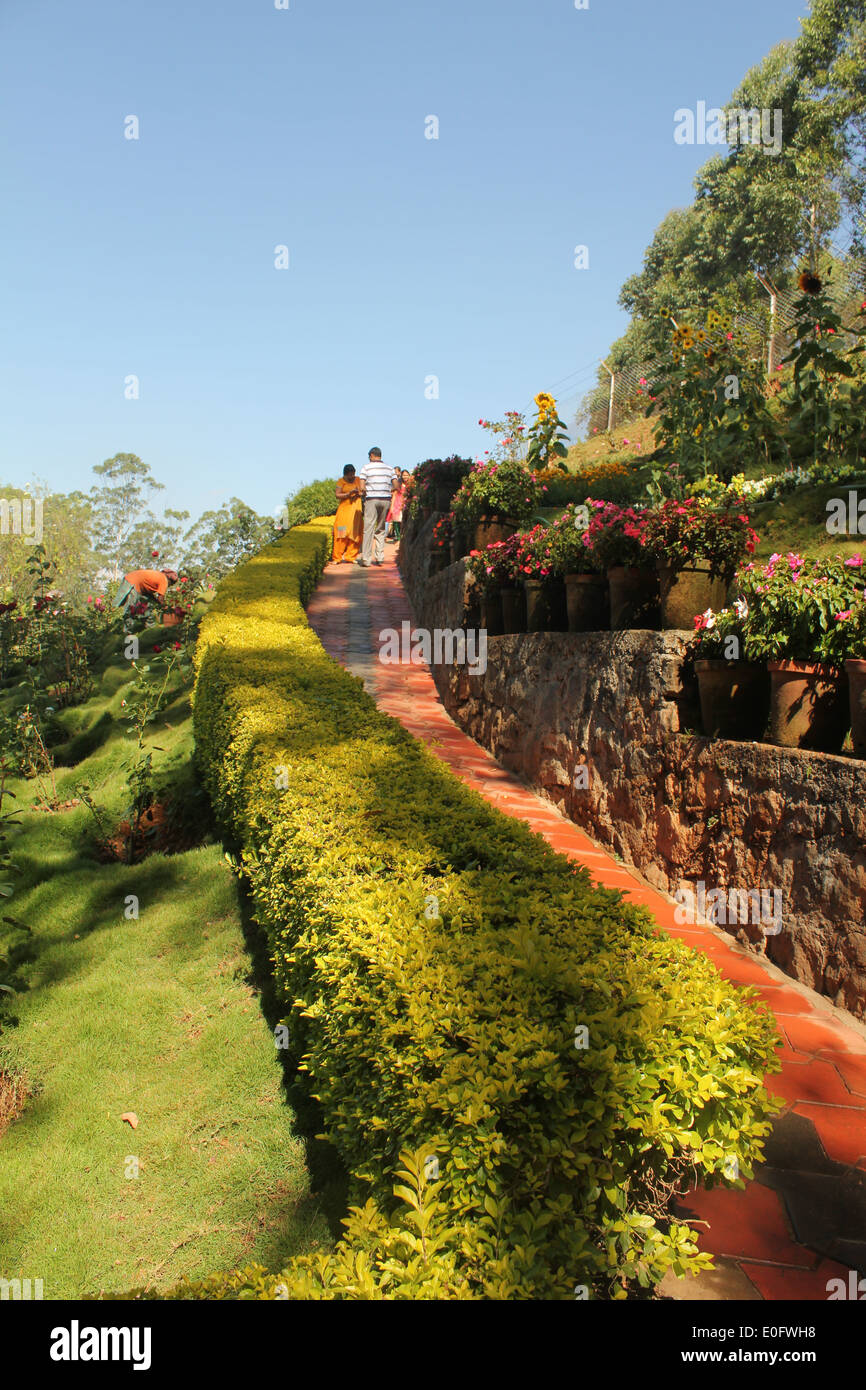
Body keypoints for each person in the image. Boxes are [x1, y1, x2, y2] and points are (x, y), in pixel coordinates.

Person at [357, 447, 393, 567]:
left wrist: (363, 492)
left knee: (368, 529)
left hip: (371, 499)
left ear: (372, 455)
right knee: (381, 528)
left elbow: (362, 487)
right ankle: (379, 557)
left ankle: (366, 559)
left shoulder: (366, 467)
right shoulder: (389, 468)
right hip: (386, 500)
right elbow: (396, 484)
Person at [114, 566, 178, 616]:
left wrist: (156, 602)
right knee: (128, 608)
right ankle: (114, 625)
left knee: (121, 603)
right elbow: (160, 598)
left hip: (131, 579)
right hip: (133, 582)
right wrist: (166, 608)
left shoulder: (158, 576)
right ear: (170, 581)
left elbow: (149, 595)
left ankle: (111, 618)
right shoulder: (164, 580)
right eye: (171, 584)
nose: (169, 586)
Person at [332, 465, 363, 563]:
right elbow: (337, 495)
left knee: (355, 533)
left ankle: (351, 556)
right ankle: (337, 557)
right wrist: (348, 494)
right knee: (341, 533)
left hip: (356, 511)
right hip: (344, 511)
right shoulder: (341, 481)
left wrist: (359, 493)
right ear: (345, 475)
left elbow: (363, 491)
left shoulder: (358, 480)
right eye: (350, 475)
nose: (352, 477)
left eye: (353, 474)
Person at [386, 469, 407, 544]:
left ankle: (402, 538)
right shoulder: (399, 484)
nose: (405, 477)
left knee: (403, 522)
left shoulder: (411, 484)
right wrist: (392, 506)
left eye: (406, 475)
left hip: (406, 504)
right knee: (396, 521)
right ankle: (398, 538)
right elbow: (394, 495)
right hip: (397, 504)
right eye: (404, 475)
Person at [385, 466, 402, 541]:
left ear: (399, 472)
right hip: (393, 501)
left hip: (399, 502)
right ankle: (390, 534)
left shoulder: (400, 481)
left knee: (398, 519)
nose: (394, 473)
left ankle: (397, 535)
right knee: (391, 519)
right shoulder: (391, 481)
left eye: (396, 472)